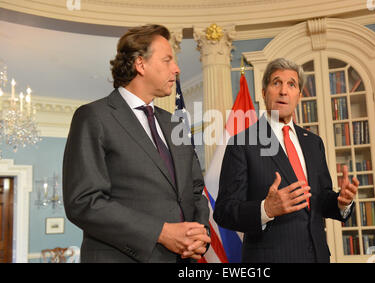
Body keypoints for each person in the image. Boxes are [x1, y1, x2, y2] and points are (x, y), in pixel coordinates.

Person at [63, 24, 210, 263]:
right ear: (140, 64)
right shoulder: (94, 117)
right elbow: (84, 202)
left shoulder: (175, 124)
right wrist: (161, 233)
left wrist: (200, 234)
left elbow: (195, 190)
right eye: (167, 60)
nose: (177, 69)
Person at [213, 58, 358, 263]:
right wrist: (266, 209)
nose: (283, 91)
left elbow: (319, 201)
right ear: (264, 93)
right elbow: (224, 211)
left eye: (291, 84)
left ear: (298, 95)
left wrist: (341, 202)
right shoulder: (242, 144)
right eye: (276, 83)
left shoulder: (313, 143)